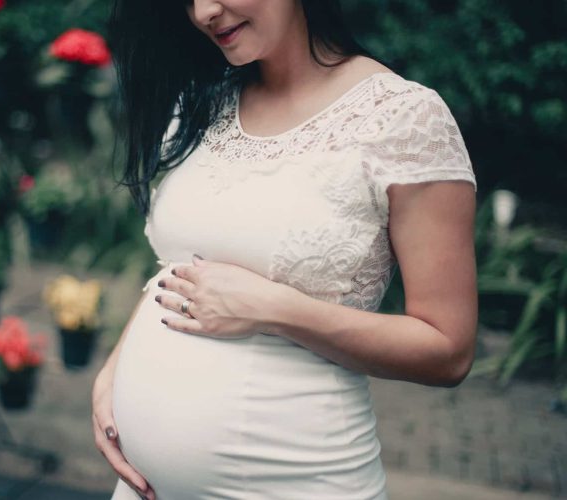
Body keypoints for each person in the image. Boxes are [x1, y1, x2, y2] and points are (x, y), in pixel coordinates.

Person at [93, 0, 478, 498]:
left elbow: (448, 352)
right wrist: (114, 370)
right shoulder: (204, 104)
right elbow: (179, 266)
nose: (204, 11)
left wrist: (276, 309)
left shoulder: (406, 119)